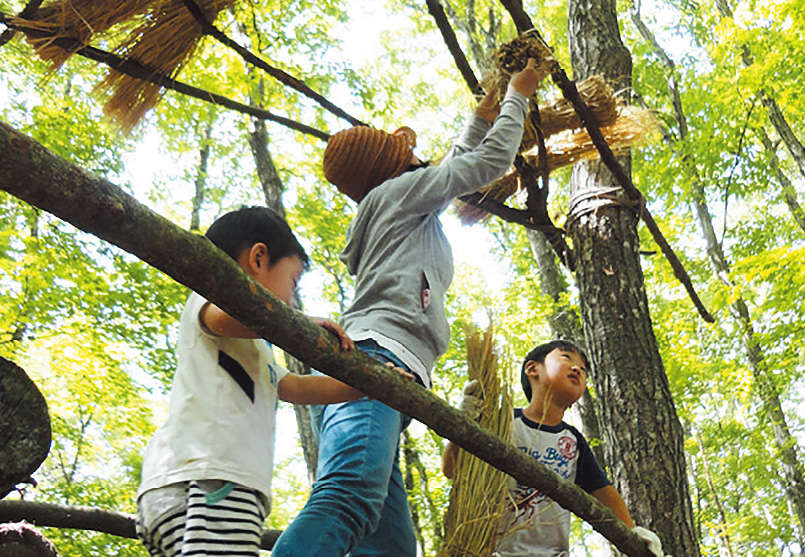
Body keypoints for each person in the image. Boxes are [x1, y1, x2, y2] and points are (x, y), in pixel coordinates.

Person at [270, 59, 548, 557]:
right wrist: (518, 96)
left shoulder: (393, 205)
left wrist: (480, 118)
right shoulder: (400, 195)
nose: (417, 157)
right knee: (348, 498)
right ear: (394, 168)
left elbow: (450, 167)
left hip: (376, 374)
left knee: (391, 547)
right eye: (406, 154)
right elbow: (485, 164)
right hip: (374, 364)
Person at [135, 206, 363, 557]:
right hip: (213, 480)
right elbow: (227, 317)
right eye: (293, 282)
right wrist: (298, 321)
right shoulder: (209, 299)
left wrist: (365, 387)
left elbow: (295, 386)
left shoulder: (257, 350)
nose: (292, 299)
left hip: (194, 485)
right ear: (258, 258)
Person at [442, 339, 665, 557]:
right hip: (494, 550)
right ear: (533, 369)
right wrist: (465, 423)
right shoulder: (503, 422)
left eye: (584, 370)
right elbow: (453, 470)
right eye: (567, 358)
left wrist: (632, 532)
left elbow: (601, 490)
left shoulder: (572, 440)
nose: (577, 369)